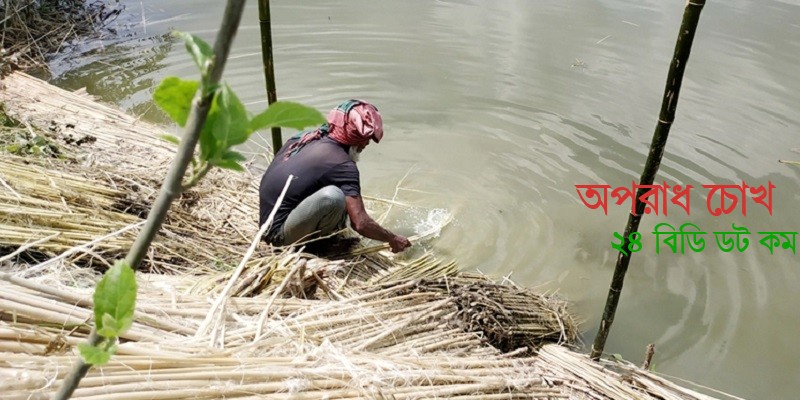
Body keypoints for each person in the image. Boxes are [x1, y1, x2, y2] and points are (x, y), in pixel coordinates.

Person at [258, 99, 412, 253]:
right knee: (333, 196)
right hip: (278, 237)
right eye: (366, 139)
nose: (367, 144)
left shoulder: (303, 138)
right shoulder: (343, 165)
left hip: (266, 223)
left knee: (339, 192)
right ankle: (318, 248)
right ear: (354, 138)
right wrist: (392, 238)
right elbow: (361, 223)